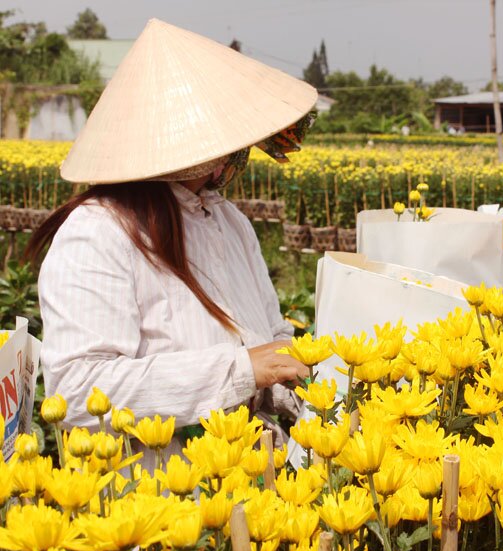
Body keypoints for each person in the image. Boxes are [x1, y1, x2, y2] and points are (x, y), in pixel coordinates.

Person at [25, 18, 318, 442]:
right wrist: (239, 371)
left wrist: (288, 383)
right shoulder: (97, 234)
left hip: (255, 484)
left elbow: (272, 337)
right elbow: (75, 389)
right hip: (157, 494)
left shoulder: (228, 221)